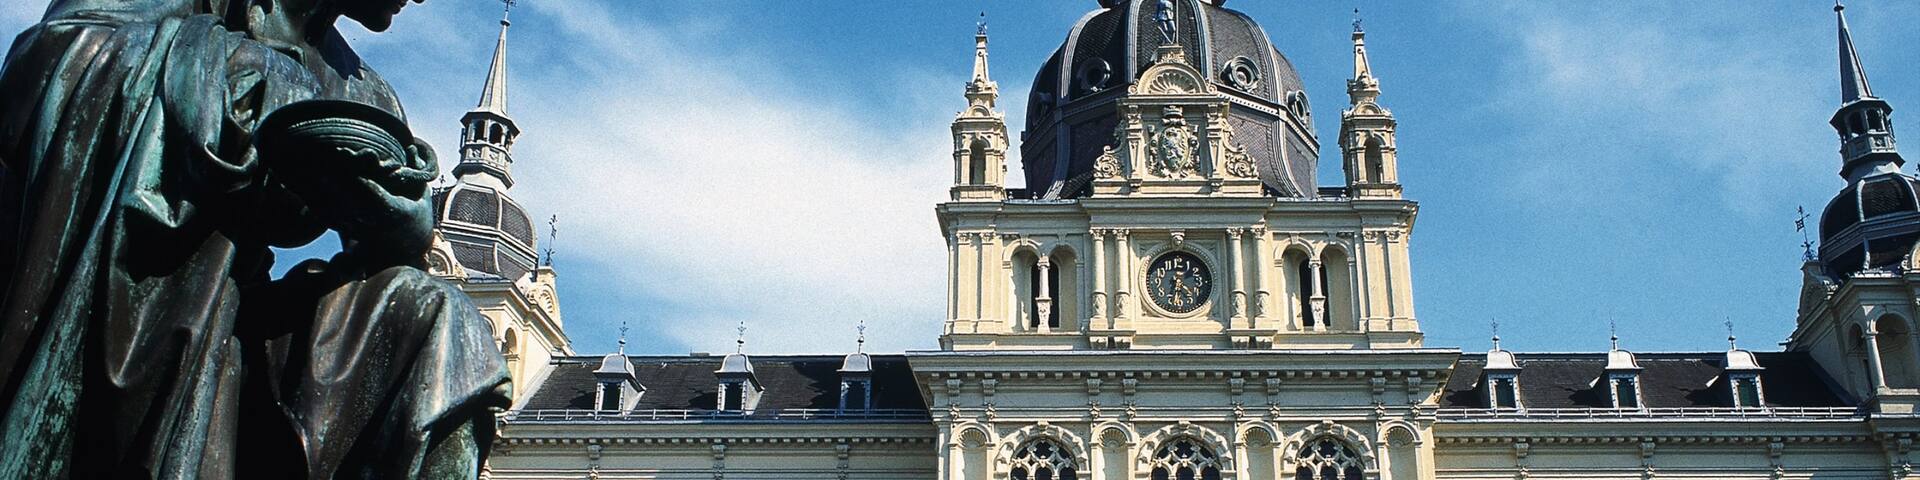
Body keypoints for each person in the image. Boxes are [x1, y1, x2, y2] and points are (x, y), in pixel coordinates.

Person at [0, 0, 509, 477]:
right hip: (143, 278)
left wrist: (402, 221)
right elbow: (47, 61)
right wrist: (239, 77)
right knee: (205, 270)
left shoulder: (364, 92)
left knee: (441, 327)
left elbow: (380, 258)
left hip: (253, 336)